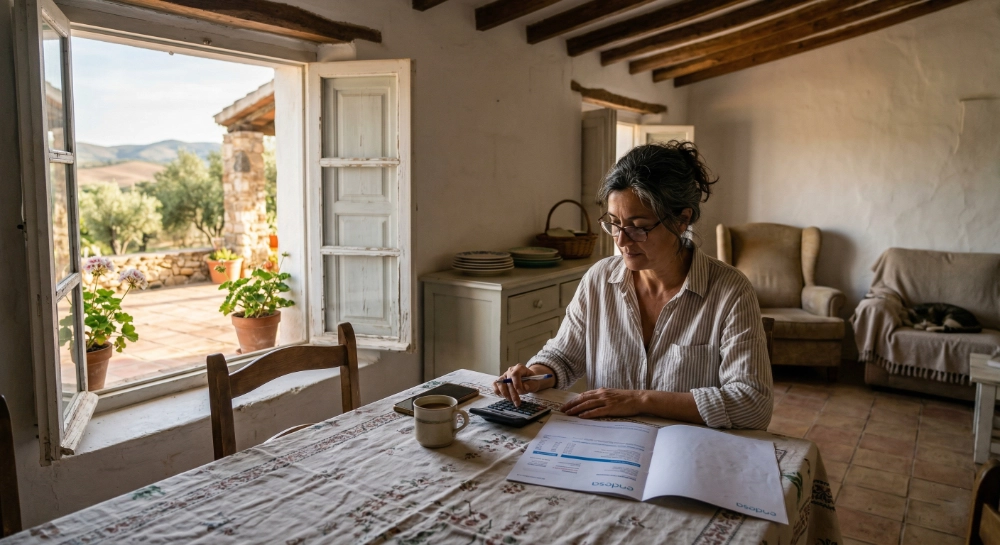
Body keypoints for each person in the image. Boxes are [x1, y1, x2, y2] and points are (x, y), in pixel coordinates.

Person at [494, 141, 772, 430]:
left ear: (682, 219)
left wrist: (640, 400)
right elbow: (563, 357)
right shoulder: (600, 280)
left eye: (638, 226)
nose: (621, 240)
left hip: (687, 452)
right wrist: (534, 375)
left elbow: (752, 404)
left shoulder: (729, 291)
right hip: (611, 451)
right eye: (614, 223)